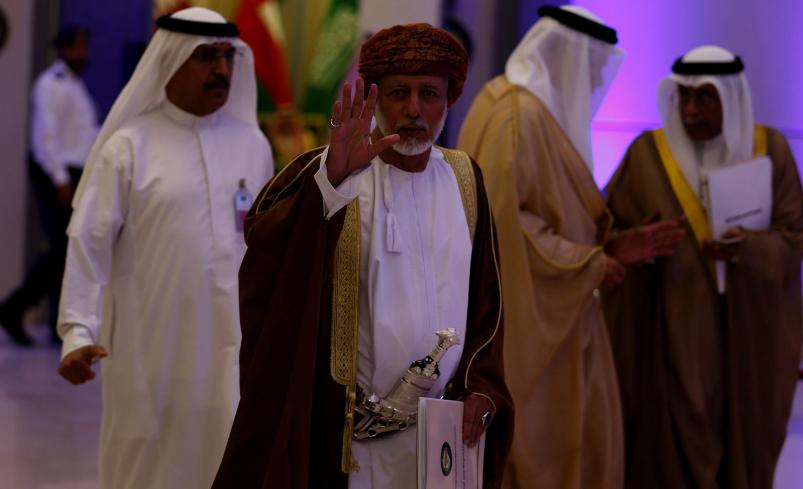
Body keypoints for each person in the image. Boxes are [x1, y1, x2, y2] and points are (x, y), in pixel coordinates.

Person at [211, 23, 513, 489]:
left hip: (440, 440)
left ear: (450, 99)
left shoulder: (465, 178)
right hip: (350, 440)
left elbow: (487, 305)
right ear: (374, 98)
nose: (413, 110)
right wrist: (332, 183)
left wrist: (483, 387)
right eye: (398, 93)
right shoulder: (333, 168)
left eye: (429, 93)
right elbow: (267, 246)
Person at [458, 5, 684, 488]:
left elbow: (547, 214)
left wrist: (613, 247)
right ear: (570, 58)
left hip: (563, 311)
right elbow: (507, 228)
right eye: (596, 68)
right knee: (540, 449)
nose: (598, 81)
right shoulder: (517, 116)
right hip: (527, 327)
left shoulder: (524, 108)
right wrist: (590, 263)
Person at [54, 7, 273, 489]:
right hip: (151, 353)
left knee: (229, 462)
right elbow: (87, 246)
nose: (220, 70)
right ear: (168, 61)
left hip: (231, 354)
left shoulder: (252, 144)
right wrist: (76, 332)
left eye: (226, 57)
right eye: (204, 58)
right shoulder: (128, 148)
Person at [603, 45, 803, 489]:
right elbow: (607, 233)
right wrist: (635, 245)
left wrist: (749, 249)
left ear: (731, 98)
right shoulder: (647, 154)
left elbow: (794, 237)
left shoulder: (769, 149)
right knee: (666, 451)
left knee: (744, 442)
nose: (692, 110)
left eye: (706, 97)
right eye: (685, 97)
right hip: (668, 336)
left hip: (747, 335)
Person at [0, 26, 99, 346]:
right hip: (54, 174)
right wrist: (60, 180)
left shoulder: (74, 85)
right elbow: (46, 139)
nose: (85, 54)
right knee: (62, 249)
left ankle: (59, 323)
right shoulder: (51, 84)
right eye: (80, 47)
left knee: (69, 251)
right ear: (65, 48)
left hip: (74, 174)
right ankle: (12, 310)